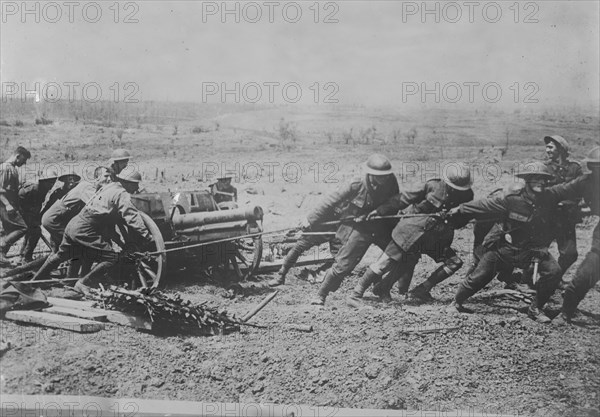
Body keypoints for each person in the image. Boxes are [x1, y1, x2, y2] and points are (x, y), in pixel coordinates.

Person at [449, 161, 581, 323]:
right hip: (505, 248)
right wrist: (460, 209)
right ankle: (456, 301)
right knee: (479, 277)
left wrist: (591, 175)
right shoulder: (512, 200)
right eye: (535, 178)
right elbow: (485, 205)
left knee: (554, 272)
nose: (540, 182)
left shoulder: (549, 197)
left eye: (543, 179)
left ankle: (536, 308)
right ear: (527, 181)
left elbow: (570, 187)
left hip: (533, 250)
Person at [350, 163, 474, 306]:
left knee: (454, 263)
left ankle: (421, 290)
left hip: (435, 237)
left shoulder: (467, 196)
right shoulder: (433, 186)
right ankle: (355, 294)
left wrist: (453, 217)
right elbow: (405, 198)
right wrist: (381, 210)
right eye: (452, 186)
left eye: (459, 188)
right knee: (385, 263)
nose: (454, 190)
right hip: (411, 231)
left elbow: (460, 222)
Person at [31, 169, 152, 295]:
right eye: (135, 184)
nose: (137, 187)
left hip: (74, 224)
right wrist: (146, 234)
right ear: (127, 182)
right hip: (85, 228)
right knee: (111, 258)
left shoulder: (109, 187)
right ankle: (83, 283)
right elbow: (131, 215)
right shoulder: (121, 194)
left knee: (62, 254)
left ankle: (34, 281)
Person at [309, 154, 400, 306]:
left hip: (382, 226)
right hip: (360, 228)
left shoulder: (391, 181)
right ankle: (320, 294)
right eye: (379, 176)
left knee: (401, 255)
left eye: (385, 176)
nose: (383, 179)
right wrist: (310, 219)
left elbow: (395, 201)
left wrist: (380, 211)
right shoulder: (356, 183)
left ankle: (383, 289)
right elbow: (331, 201)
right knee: (343, 265)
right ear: (370, 174)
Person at [554, 146, 600, 324]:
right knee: (582, 278)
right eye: (595, 167)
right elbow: (560, 191)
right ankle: (566, 313)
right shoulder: (587, 182)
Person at [542, 135, 584, 285]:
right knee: (537, 250)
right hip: (547, 216)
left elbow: (581, 189)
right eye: (547, 147)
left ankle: (555, 278)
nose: (547, 150)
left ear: (560, 148)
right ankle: (525, 280)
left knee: (570, 254)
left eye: (551, 147)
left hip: (566, 217)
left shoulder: (575, 168)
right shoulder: (544, 168)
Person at [42, 167, 107, 251]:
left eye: (73, 179)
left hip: (66, 219)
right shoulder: (58, 192)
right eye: (68, 179)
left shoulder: (79, 189)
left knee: (68, 242)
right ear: (64, 181)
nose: (71, 181)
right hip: (56, 219)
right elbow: (49, 207)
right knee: (72, 240)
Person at [17, 170, 58, 263]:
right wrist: (28, 217)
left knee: (31, 232)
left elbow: (38, 204)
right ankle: (26, 257)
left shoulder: (43, 189)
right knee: (36, 232)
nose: (51, 185)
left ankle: (22, 255)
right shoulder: (32, 188)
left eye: (53, 182)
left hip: (30, 213)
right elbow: (19, 201)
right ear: (43, 181)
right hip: (21, 213)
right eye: (50, 182)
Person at [0, 146, 31, 266]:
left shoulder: (12, 168)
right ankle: (1, 248)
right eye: (23, 159)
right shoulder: (5, 168)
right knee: (23, 227)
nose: (24, 163)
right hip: (4, 205)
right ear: (17, 156)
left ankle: (2, 258)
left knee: (10, 230)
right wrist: (8, 205)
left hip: (9, 204)